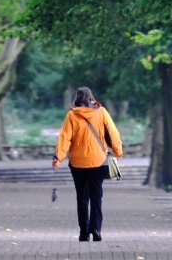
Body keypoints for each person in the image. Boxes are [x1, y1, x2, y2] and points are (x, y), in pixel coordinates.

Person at [51, 86, 124, 242]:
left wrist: (58, 158)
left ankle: (84, 232)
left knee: (82, 198)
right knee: (96, 197)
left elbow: (64, 138)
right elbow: (113, 133)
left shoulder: (72, 115)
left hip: (78, 163)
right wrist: (118, 152)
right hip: (98, 161)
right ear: (91, 98)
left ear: (77, 98)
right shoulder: (101, 112)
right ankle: (96, 229)